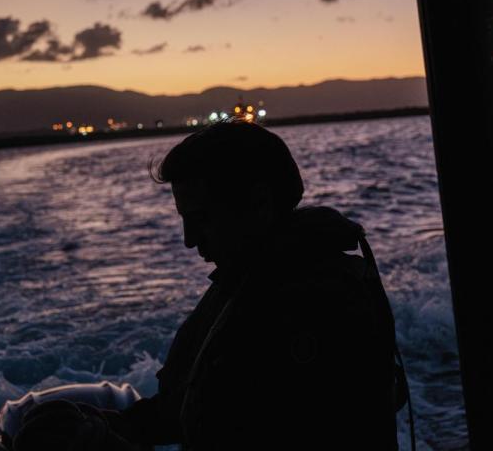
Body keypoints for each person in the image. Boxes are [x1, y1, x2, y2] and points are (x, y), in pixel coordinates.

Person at [97, 120, 402, 450]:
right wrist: (105, 426)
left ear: (259, 204)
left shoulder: (316, 306)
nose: (189, 240)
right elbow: (185, 411)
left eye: (201, 219)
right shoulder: (245, 283)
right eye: (184, 220)